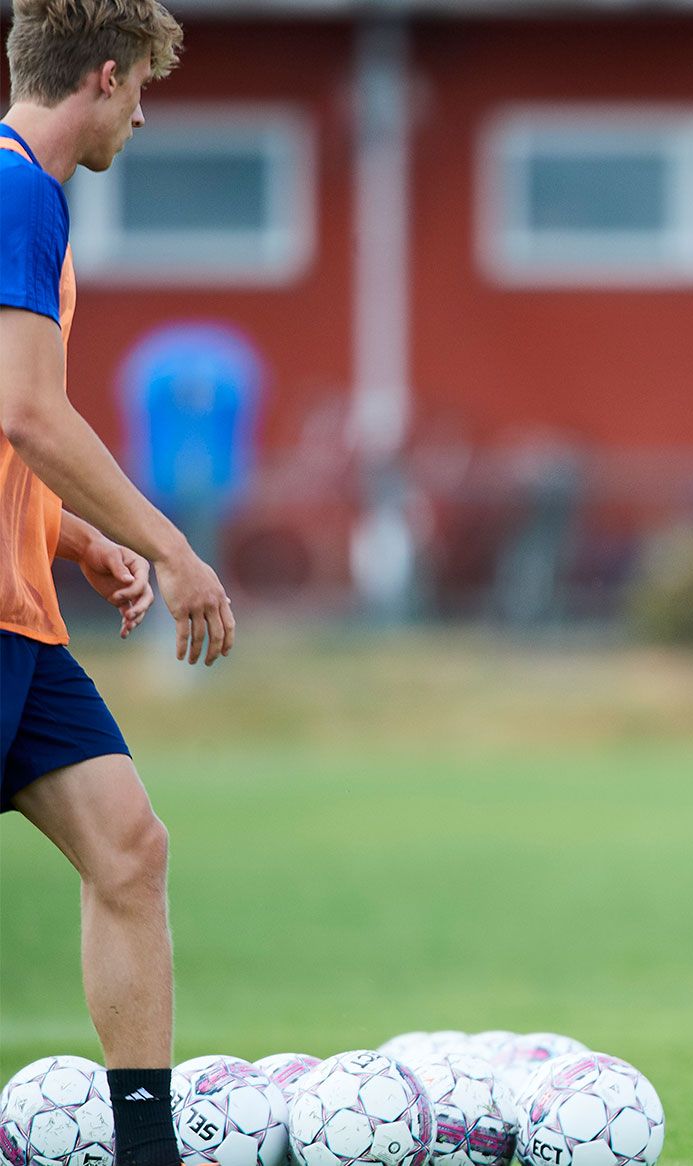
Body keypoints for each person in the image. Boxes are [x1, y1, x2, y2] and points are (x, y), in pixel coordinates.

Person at [0, 1, 237, 1164]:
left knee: (128, 848)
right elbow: (29, 410)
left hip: (19, 616)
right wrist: (173, 548)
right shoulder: (15, 192)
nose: (141, 116)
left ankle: (146, 1150)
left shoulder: (22, 198)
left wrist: (63, 536)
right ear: (102, 76)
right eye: (140, 89)